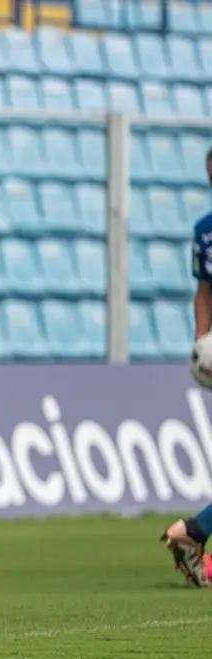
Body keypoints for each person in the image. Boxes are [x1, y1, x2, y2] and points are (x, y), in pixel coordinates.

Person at [163, 149, 212, 587]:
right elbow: (205, 291)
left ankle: (193, 532)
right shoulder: (205, 232)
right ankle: (193, 532)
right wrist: (201, 342)